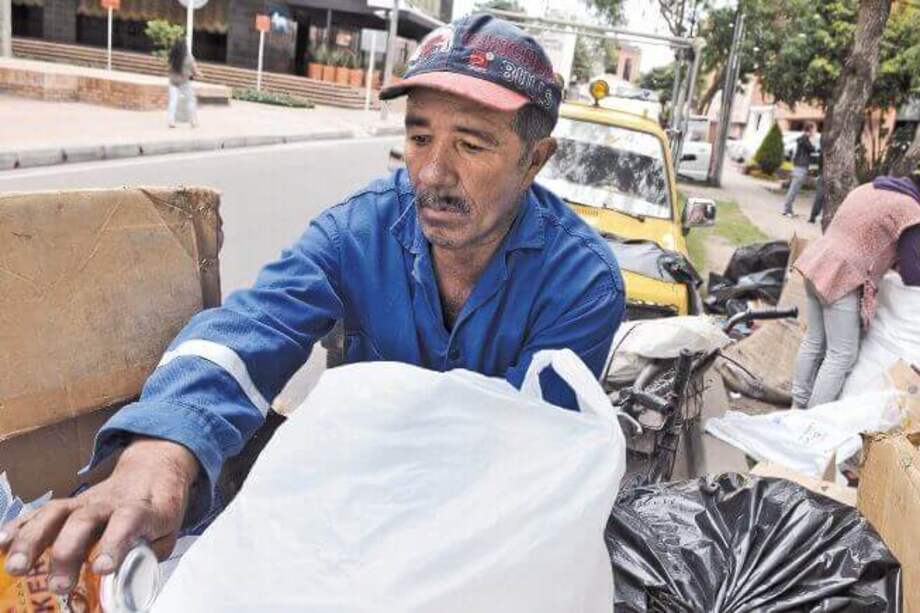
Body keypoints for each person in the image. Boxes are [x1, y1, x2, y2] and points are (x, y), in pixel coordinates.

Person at [0, 14, 625, 594]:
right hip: (344, 510)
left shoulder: (582, 284)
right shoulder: (358, 231)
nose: (433, 173)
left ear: (534, 160)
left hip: (475, 545)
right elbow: (252, 326)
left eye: (471, 144)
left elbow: (525, 471)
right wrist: (162, 447)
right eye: (419, 136)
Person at [791, 168, 920, 409]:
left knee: (814, 342)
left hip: (817, 262)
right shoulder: (911, 211)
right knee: (842, 355)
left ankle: (796, 406)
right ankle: (811, 417)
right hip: (844, 277)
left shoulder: (869, 187)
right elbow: (912, 274)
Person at [781, 123, 816, 217]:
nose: (815, 132)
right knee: (793, 189)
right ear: (810, 129)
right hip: (801, 167)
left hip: (799, 166)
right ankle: (786, 210)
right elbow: (812, 149)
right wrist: (813, 140)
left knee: (794, 189)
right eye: (814, 129)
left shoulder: (802, 139)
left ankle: (789, 210)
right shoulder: (804, 139)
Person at [167, 39, 201, 129]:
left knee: (173, 102)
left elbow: (169, 69)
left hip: (173, 82)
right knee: (190, 101)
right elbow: (194, 70)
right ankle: (192, 121)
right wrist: (199, 74)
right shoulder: (188, 57)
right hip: (184, 82)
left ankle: (171, 121)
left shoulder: (172, 56)